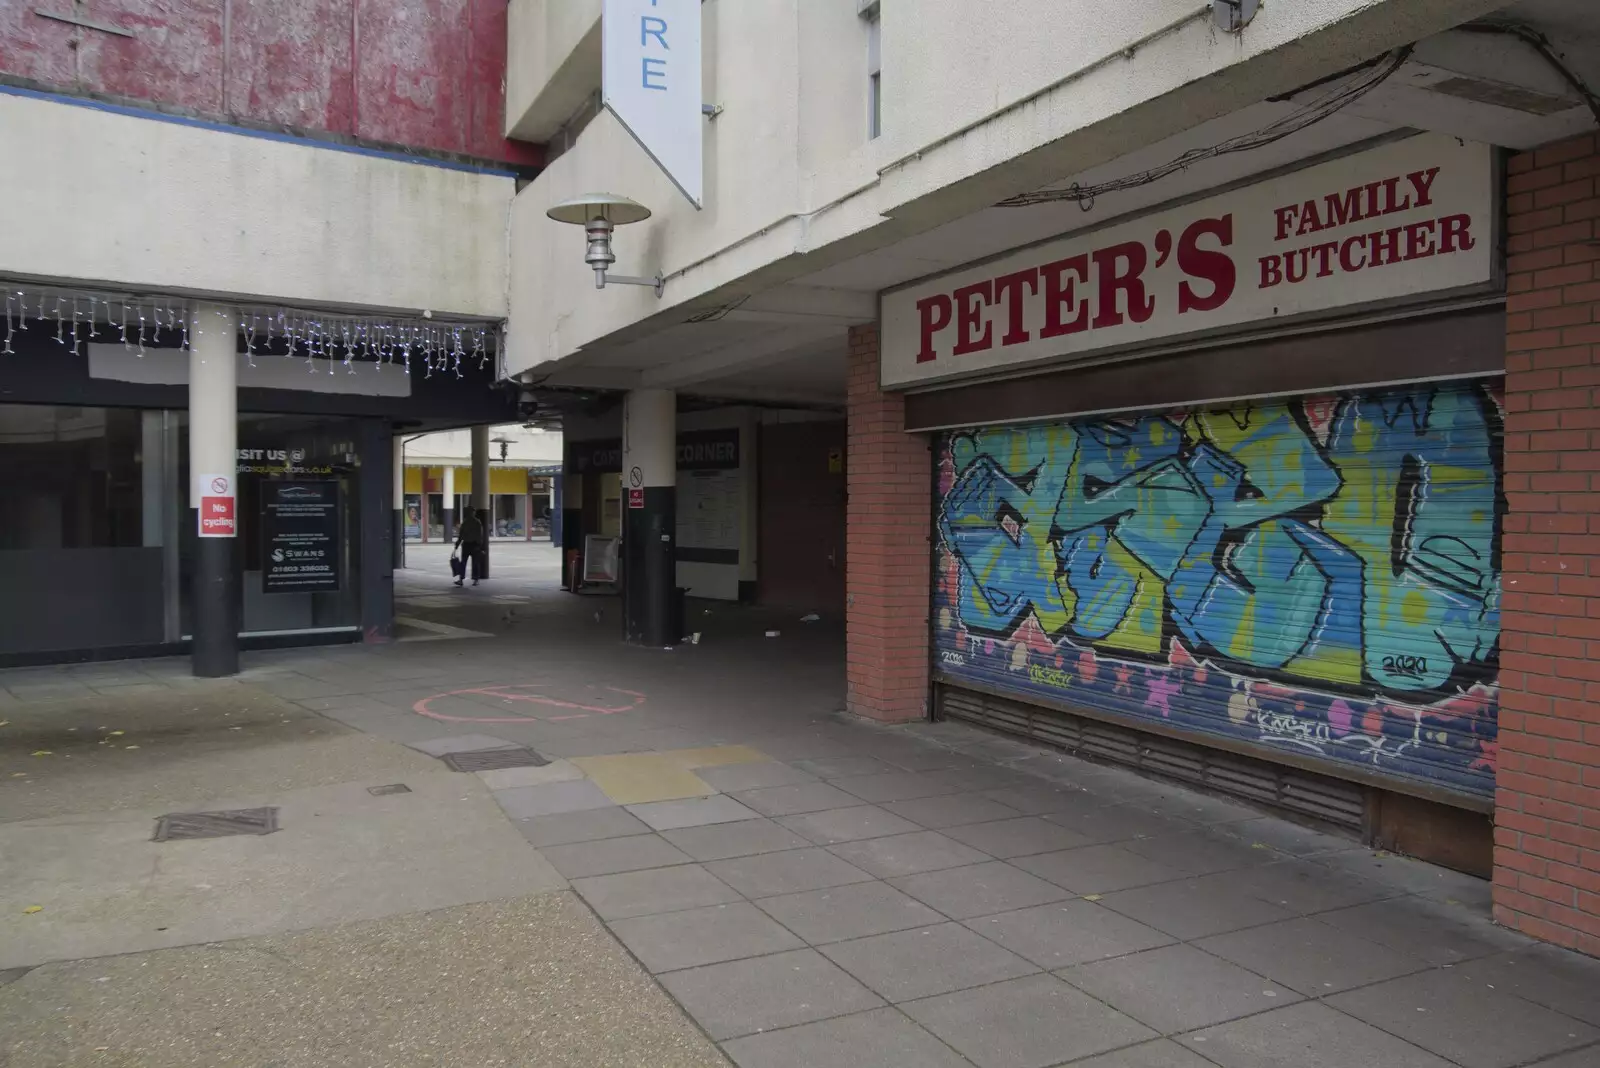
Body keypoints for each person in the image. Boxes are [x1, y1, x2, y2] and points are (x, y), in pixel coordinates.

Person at [454, 508, 485, 587]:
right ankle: (475, 580)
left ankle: (461, 579)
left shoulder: (465, 522)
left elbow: (461, 535)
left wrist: (457, 544)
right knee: (475, 563)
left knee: (463, 563)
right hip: (474, 545)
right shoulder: (477, 522)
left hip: (467, 545)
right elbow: (480, 535)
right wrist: (481, 546)